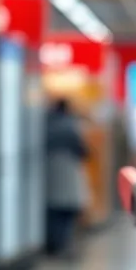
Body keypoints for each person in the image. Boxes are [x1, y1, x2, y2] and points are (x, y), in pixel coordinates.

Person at [45, 98, 88, 258]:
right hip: (68, 173)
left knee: (53, 211)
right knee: (68, 211)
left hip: (50, 174)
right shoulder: (70, 126)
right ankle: (64, 245)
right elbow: (82, 150)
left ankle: (54, 245)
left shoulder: (46, 125)